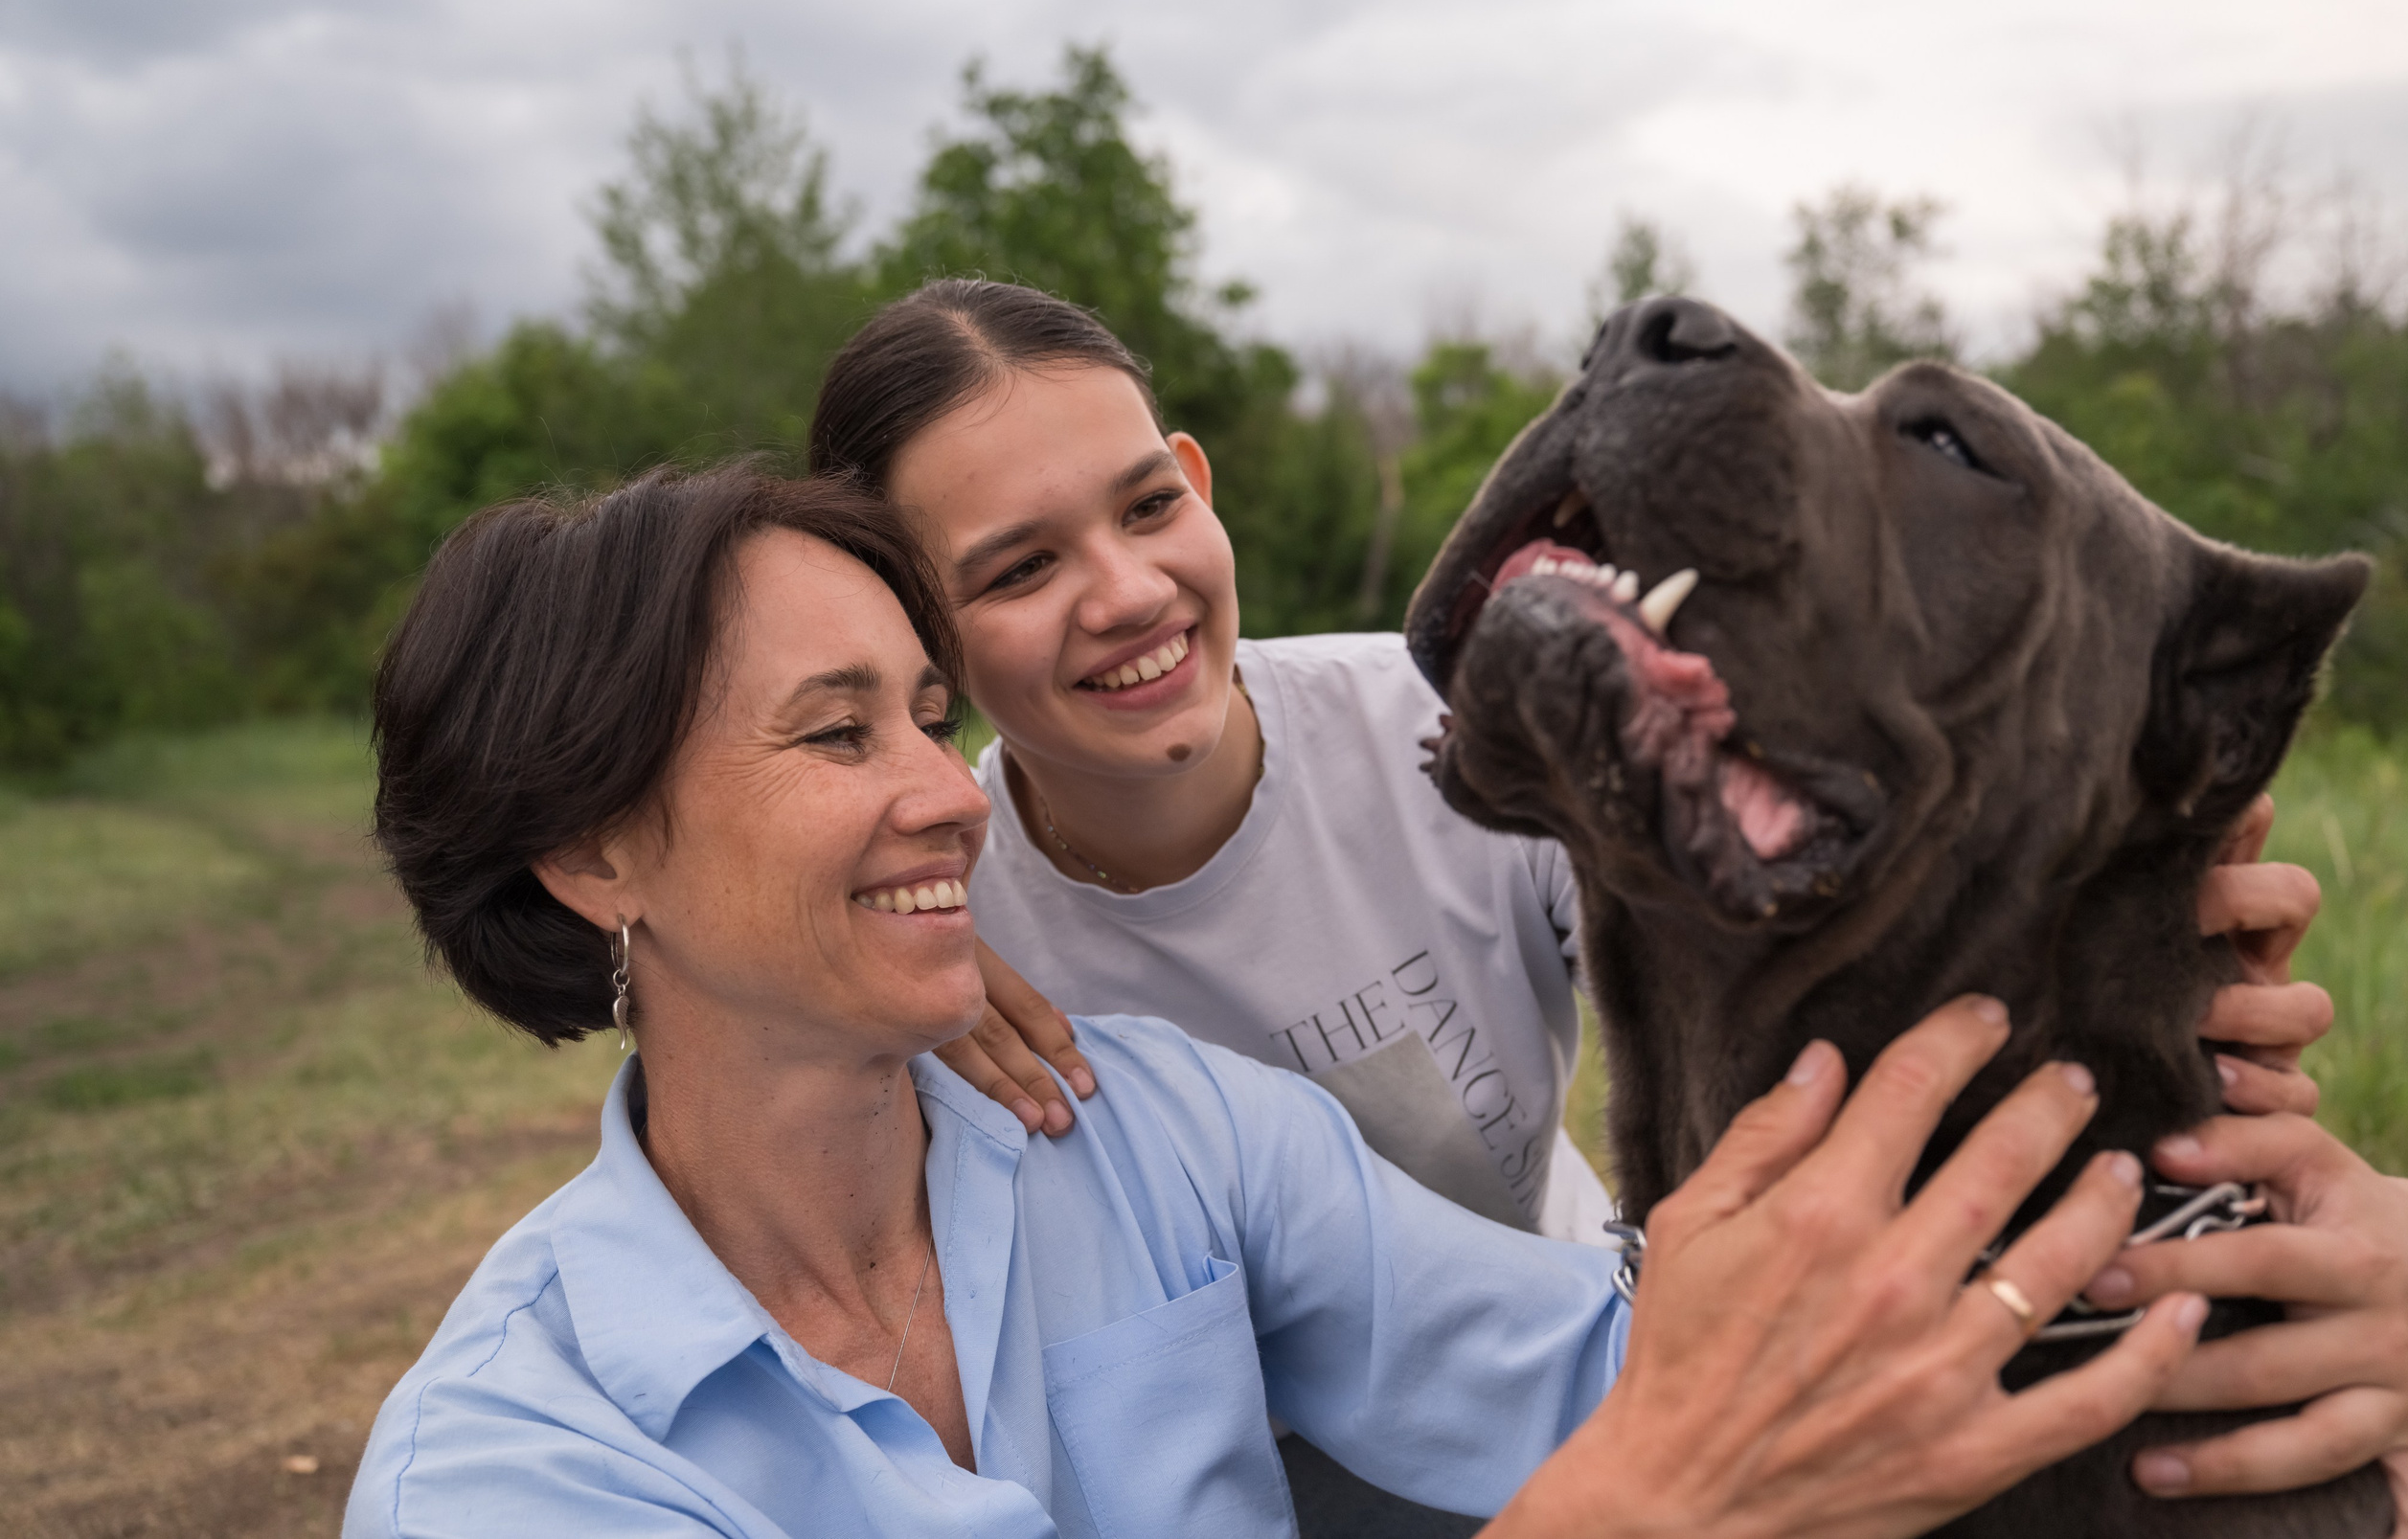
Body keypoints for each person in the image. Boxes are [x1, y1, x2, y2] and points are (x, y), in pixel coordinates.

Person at [810, 280, 2408, 1529]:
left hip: (1586, 1395)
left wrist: (2204, 1020)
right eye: (1017, 570)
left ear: (1195, 481)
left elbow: (1819, 862)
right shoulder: (919, 928)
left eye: (1147, 506)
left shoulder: (1439, 726)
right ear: (919, 638)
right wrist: (892, 1011)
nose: (1124, 592)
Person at [346, 462, 2227, 1538]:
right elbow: (1661, 1458)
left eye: (927, 711)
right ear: (594, 854)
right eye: (834, 732)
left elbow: (1628, 1363)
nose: (943, 787)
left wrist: (2253, 1214)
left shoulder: (1153, 1131)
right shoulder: (517, 1467)